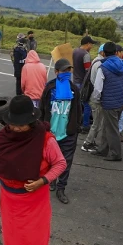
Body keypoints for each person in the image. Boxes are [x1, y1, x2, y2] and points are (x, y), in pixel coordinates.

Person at [0, 95, 67, 245]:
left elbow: (60, 163)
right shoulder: (4, 136)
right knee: (14, 234)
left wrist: (43, 181)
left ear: (31, 122)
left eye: (21, 125)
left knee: (31, 236)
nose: (16, 128)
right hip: (9, 197)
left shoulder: (45, 140)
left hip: (33, 200)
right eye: (13, 124)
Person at [39, 58, 81, 205]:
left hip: (68, 134)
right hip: (50, 134)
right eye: (64, 70)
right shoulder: (49, 89)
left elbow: (78, 111)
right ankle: (52, 180)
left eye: (69, 70)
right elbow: (42, 110)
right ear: (56, 72)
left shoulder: (74, 89)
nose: (67, 73)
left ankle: (61, 189)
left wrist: (75, 128)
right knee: (50, 160)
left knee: (66, 163)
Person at [90, 42, 123, 162]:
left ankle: (115, 153)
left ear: (104, 53)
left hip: (108, 102)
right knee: (109, 126)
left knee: (111, 129)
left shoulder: (103, 67)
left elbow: (98, 88)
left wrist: (97, 99)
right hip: (120, 101)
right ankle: (103, 149)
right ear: (116, 52)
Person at [81, 44, 105, 153]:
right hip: (95, 98)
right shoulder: (100, 64)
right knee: (97, 123)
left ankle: (91, 141)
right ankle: (87, 143)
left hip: (91, 96)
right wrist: (98, 97)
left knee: (97, 122)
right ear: (103, 52)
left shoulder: (95, 60)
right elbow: (97, 84)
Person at [73, 36, 96, 132]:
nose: (91, 46)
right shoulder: (86, 55)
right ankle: (85, 125)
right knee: (87, 105)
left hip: (75, 81)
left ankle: (75, 123)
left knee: (77, 104)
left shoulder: (75, 51)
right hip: (83, 83)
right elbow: (87, 70)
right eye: (91, 44)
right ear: (87, 44)